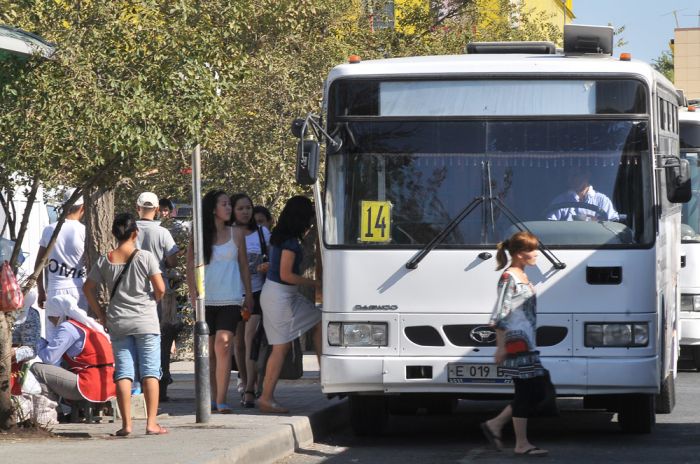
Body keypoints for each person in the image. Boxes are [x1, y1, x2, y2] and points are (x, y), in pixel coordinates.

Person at [83, 213, 167, 436]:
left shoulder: (106, 259)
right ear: (135, 233)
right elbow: (160, 289)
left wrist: (101, 314)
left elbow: (87, 288)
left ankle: (127, 425)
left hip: (118, 321)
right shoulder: (145, 257)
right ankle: (151, 423)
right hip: (145, 321)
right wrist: (152, 300)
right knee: (150, 372)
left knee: (123, 373)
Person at [480, 231, 548, 457]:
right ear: (519, 254)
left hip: (528, 342)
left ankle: (496, 424)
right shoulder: (509, 277)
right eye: (531, 250)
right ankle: (520, 443)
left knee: (535, 391)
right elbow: (500, 314)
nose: (536, 254)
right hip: (516, 342)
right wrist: (500, 347)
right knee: (529, 391)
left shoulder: (522, 275)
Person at [186, 190, 253, 414]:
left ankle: (223, 400)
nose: (228, 208)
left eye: (228, 204)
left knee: (223, 345)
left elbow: (244, 265)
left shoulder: (237, 234)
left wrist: (249, 295)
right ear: (213, 209)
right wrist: (193, 295)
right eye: (224, 204)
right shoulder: (199, 235)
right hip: (206, 300)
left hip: (231, 298)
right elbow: (190, 266)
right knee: (211, 353)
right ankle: (212, 398)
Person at [258, 195, 321, 414]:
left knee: (318, 321)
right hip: (280, 296)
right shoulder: (291, 243)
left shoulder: (280, 237)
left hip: (280, 295)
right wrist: (316, 283)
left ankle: (326, 375)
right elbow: (286, 275)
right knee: (280, 347)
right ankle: (266, 397)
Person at [32, 294, 116, 405]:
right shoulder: (87, 326)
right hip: (109, 383)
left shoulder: (68, 327)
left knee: (37, 368)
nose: (51, 321)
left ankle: (51, 409)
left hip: (89, 384)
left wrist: (36, 340)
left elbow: (49, 358)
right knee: (62, 365)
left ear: (58, 314)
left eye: (51, 317)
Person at [135, 192, 179, 401]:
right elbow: (172, 261)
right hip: (155, 291)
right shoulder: (162, 233)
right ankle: (158, 386)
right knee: (156, 340)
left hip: (132, 291)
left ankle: (138, 386)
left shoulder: (130, 231)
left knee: (134, 341)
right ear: (156, 209)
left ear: (138, 209)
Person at [231, 193, 271, 408]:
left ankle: (249, 390)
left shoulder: (263, 234)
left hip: (256, 292)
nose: (246, 212)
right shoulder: (228, 234)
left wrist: (268, 265)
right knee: (238, 343)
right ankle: (245, 382)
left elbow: (274, 259)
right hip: (233, 294)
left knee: (250, 338)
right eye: (241, 208)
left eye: (248, 207)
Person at [37, 188, 87, 340]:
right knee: (79, 339)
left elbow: (39, 263)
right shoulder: (85, 231)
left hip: (55, 290)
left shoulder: (49, 229)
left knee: (54, 340)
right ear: (83, 208)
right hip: (79, 290)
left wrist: (41, 291)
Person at [546, 170, 619, 221]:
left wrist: (596, 221)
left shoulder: (602, 200)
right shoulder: (560, 201)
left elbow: (612, 223)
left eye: (575, 175)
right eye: (568, 176)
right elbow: (550, 224)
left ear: (587, 176)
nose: (570, 179)